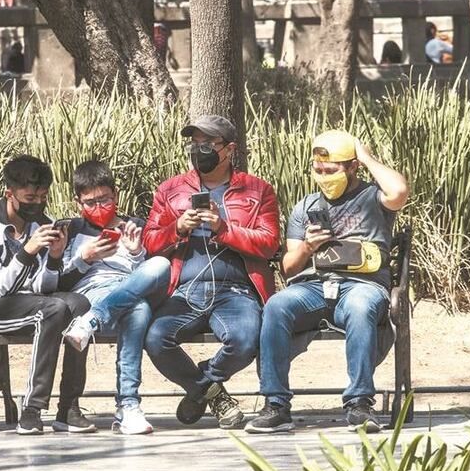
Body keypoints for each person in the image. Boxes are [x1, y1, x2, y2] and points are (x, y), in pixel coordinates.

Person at [246, 130, 409, 435]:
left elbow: (399, 190)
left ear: (352, 167)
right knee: (277, 305)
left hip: (362, 285)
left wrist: (366, 156)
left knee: (360, 307)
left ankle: (359, 403)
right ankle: (276, 405)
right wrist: (307, 247)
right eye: (318, 170)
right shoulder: (306, 206)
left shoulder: (374, 197)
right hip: (313, 287)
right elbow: (289, 268)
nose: (323, 177)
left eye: (331, 170)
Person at [142, 115, 281, 429]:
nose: (198, 149)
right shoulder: (170, 190)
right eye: (195, 143)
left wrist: (223, 228)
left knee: (245, 340)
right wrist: (177, 228)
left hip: (236, 291)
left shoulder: (257, 190)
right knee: (156, 338)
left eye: (207, 143)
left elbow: (269, 243)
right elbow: (149, 242)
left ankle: (201, 385)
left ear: (229, 149)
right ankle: (211, 393)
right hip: (184, 290)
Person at [0, 155, 93, 435]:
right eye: (30, 197)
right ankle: (32, 408)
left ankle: (68, 407)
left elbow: (44, 288)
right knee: (53, 309)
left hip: (34, 303)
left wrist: (55, 257)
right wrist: (28, 250)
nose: (37, 204)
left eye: (43, 197)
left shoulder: (43, 224)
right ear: (9, 194)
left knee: (80, 305)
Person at [58, 161, 171, 435]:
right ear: (78, 202)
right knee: (139, 309)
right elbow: (59, 282)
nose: (98, 207)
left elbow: (147, 276)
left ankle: (91, 322)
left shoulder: (136, 226)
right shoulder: (70, 230)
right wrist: (85, 258)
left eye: (105, 199)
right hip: (93, 292)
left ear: (116, 195)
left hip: (124, 289)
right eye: (90, 202)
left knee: (160, 265)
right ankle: (128, 405)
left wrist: (135, 253)